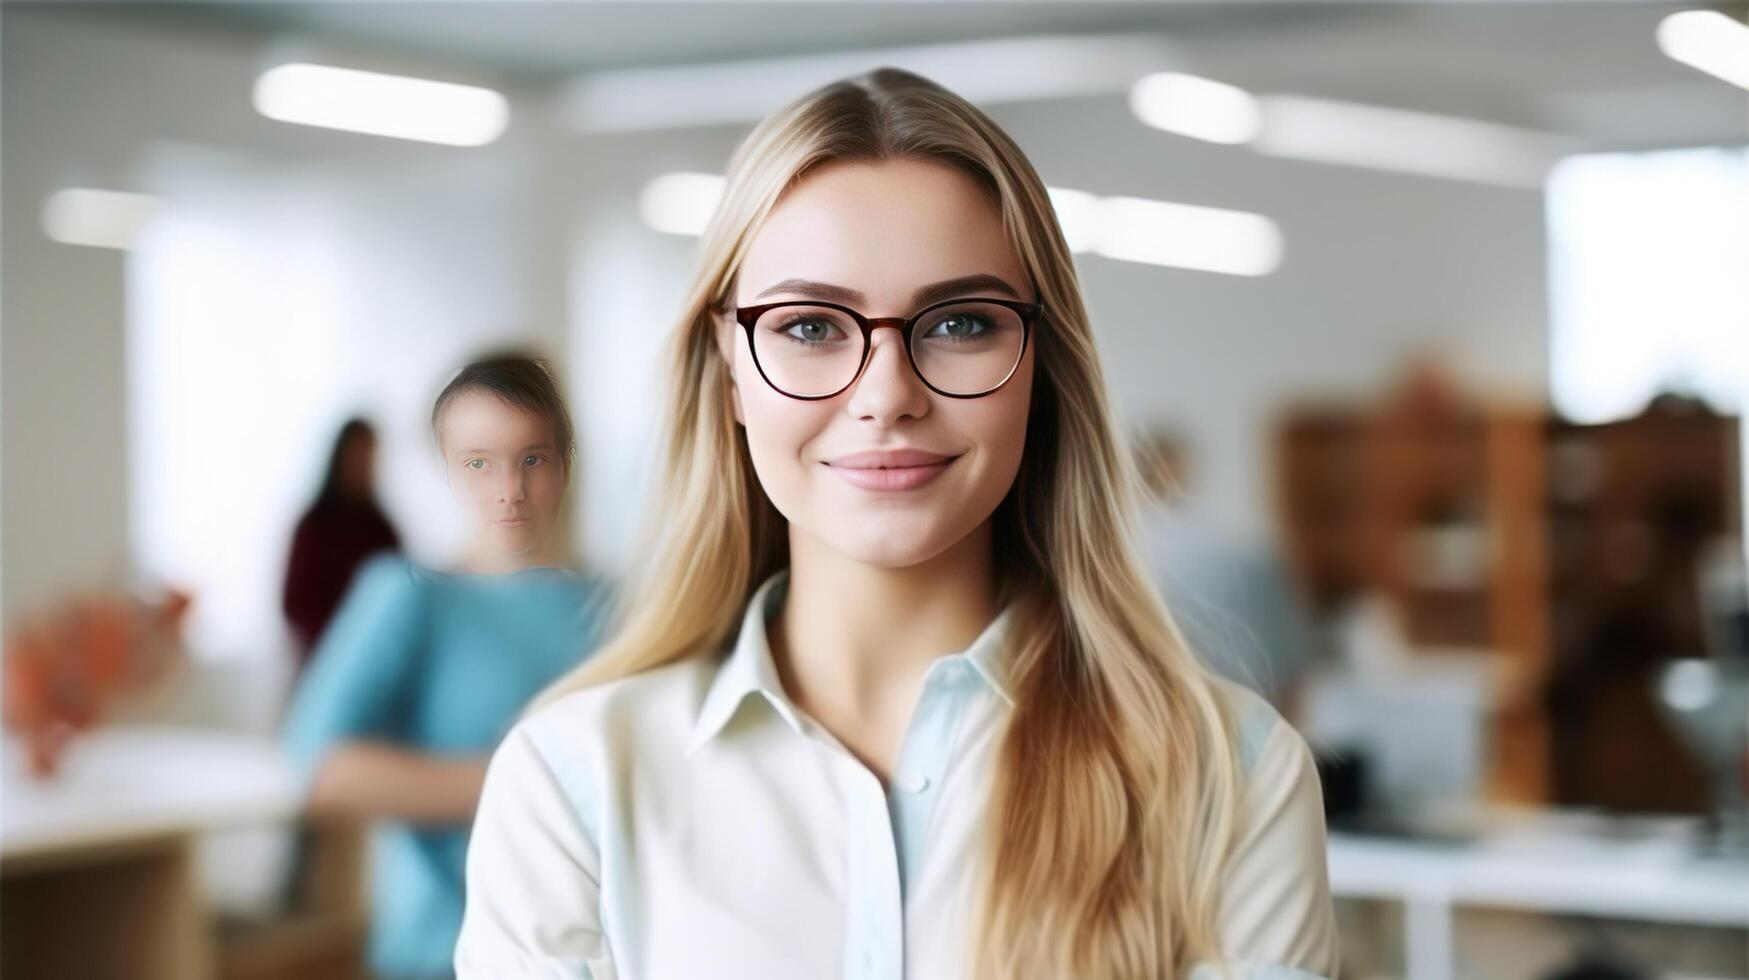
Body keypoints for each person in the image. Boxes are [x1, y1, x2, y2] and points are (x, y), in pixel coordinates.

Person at [457, 69, 1338, 980]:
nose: (886, 396)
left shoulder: (1228, 780)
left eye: (959, 322)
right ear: (730, 372)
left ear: (1042, 365)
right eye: (808, 328)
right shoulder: (572, 782)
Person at [282, 354, 613, 980]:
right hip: (442, 954)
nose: (510, 488)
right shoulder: (410, 595)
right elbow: (319, 767)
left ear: (565, 461)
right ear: (449, 468)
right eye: (480, 463)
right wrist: (530, 782)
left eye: (533, 458)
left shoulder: (614, 603)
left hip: (598, 954)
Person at [1133, 427, 1316, 719]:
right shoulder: (1246, 549)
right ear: (1184, 469)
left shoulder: (1113, 557)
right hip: (1247, 729)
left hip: (1153, 729)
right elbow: (1290, 669)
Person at [282, 418, 403, 671]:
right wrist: (339, 637)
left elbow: (397, 596)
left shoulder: (382, 530)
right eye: (356, 456)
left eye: (367, 456)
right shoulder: (314, 526)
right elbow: (293, 602)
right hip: (320, 661)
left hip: (373, 662)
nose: (361, 465)